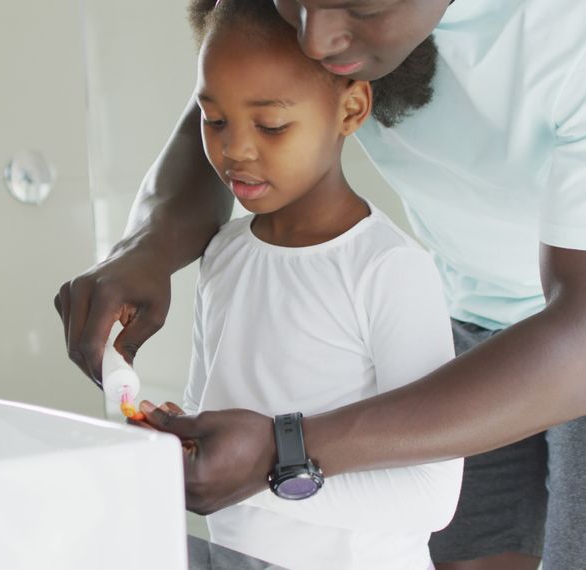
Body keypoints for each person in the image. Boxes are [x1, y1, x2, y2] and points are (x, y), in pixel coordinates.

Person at [55, 0, 586, 568]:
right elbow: (237, 100)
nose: (315, 37)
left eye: (361, 6)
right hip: (463, 309)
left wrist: (284, 453)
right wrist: (144, 250)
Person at [161, 1, 462, 569]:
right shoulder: (224, 252)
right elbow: (211, 421)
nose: (235, 149)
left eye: (270, 124)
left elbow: (431, 496)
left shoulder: (390, 270)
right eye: (214, 120)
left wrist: (263, 478)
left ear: (350, 108)